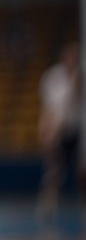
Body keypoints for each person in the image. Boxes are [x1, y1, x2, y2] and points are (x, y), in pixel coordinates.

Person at [37, 42, 82, 224]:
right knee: (54, 170)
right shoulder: (53, 78)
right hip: (58, 130)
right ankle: (49, 204)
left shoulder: (81, 77)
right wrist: (48, 128)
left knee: (81, 171)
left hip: (78, 128)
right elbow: (49, 108)